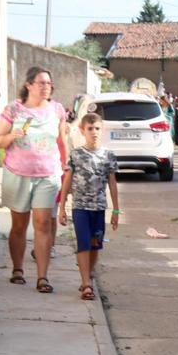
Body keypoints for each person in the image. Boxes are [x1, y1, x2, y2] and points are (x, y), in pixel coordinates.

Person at [0, 67, 69, 294]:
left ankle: (42, 277)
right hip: (18, 173)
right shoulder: (14, 109)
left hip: (48, 175)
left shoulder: (57, 110)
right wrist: (11, 136)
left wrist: (67, 171)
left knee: (44, 224)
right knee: (19, 226)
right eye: (41, 83)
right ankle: (17, 269)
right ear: (29, 85)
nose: (46, 87)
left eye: (49, 84)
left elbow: (62, 142)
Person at [57, 112, 120, 301]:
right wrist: (62, 207)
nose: (94, 132)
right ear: (82, 130)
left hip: (99, 208)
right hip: (80, 207)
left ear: (102, 130)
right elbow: (68, 181)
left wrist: (115, 210)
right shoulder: (76, 155)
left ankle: (88, 274)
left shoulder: (108, 156)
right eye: (90, 129)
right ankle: (85, 283)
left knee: (95, 245)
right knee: (83, 244)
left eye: (97, 129)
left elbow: (112, 183)